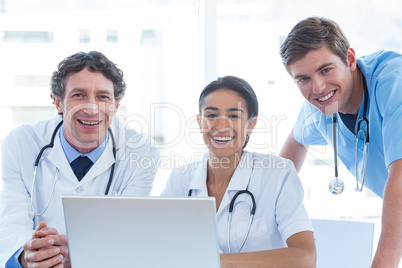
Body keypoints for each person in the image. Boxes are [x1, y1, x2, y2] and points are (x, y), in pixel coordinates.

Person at [0, 51, 160, 268]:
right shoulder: (20, 144)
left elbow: (127, 234)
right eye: (79, 95)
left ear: (116, 105)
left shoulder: (141, 151)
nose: (92, 108)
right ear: (58, 103)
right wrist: (26, 257)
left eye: (103, 97)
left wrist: (76, 257)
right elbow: (12, 222)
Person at [279, 16, 402, 267]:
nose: (318, 87)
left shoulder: (394, 83)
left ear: (350, 59)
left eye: (326, 69)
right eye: (303, 78)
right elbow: (293, 147)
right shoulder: (318, 107)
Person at [162, 76, 316, 267]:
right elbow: (160, 246)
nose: (221, 126)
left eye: (233, 116)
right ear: (200, 122)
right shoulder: (180, 178)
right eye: (211, 115)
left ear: (251, 125)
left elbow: (305, 258)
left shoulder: (278, 174)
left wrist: (215, 262)